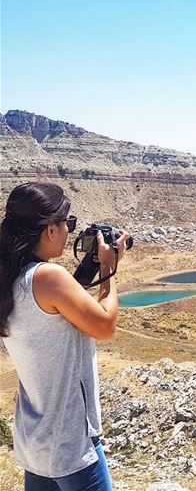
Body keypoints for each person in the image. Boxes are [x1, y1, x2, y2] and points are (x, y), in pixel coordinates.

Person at [0, 182, 130, 491]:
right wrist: (110, 273)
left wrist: (88, 270)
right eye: (67, 223)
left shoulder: (10, 278)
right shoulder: (48, 276)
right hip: (71, 443)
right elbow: (105, 326)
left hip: (35, 442)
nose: (69, 232)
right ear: (48, 229)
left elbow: (56, 311)